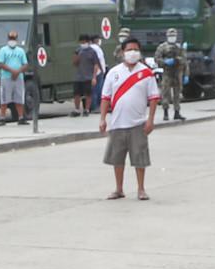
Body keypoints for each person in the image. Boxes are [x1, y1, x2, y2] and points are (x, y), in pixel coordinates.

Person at [99, 35, 160, 200]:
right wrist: (103, 119)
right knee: (117, 159)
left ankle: (141, 189)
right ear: (122, 52)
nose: (132, 52)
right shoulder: (114, 73)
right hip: (117, 123)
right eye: (129, 50)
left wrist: (150, 120)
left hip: (138, 123)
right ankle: (119, 189)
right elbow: (105, 97)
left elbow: (153, 98)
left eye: (135, 49)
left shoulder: (146, 73)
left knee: (140, 158)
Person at [0, 28, 29, 124]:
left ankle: (21, 117)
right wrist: (12, 71)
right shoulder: (3, 50)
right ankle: (2, 118)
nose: (12, 40)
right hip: (6, 78)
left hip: (18, 78)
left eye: (14, 38)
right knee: (4, 99)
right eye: (11, 38)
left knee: (19, 98)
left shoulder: (21, 51)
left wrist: (18, 72)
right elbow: (1, 63)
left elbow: (25, 64)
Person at [156, 29, 187, 121]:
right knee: (165, 93)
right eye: (170, 36)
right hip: (167, 73)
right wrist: (165, 62)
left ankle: (177, 112)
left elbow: (185, 61)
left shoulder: (179, 47)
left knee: (177, 94)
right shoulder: (162, 47)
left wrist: (186, 74)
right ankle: (165, 113)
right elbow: (157, 58)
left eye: (174, 36)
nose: (172, 37)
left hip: (177, 73)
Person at [72, 34, 99, 116]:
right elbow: (74, 63)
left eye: (84, 42)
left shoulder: (92, 52)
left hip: (88, 76)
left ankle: (86, 109)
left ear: (88, 42)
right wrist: (77, 56)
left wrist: (94, 77)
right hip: (78, 77)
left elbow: (96, 65)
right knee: (76, 94)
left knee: (88, 94)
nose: (83, 43)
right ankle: (77, 109)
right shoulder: (78, 51)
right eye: (81, 42)